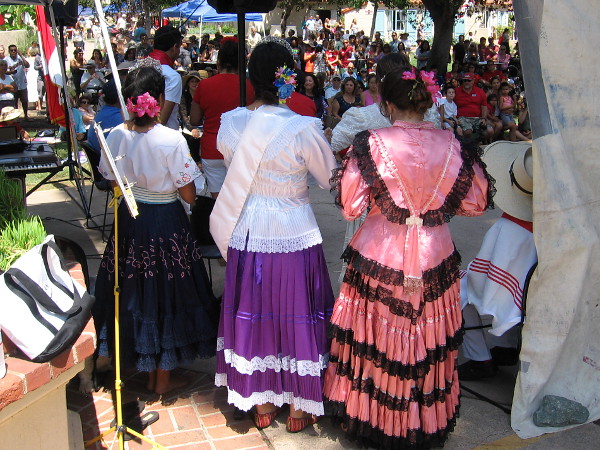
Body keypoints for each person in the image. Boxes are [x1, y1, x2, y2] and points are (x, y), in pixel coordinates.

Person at [323, 66, 492, 449]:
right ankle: (424, 420)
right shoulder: (452, 144)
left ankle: (375, 418)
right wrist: (431, 207)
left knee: (377, 338)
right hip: (435, 253)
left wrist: (394, 205)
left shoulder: (372, 143)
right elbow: (475, 202)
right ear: (428, 101)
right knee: (427, 337)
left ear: (385, 103)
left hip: (381, 253)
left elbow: (351, 207)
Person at [211, 37, 337, 434]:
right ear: (290, 78)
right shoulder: (304, 127)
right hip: (294, 231)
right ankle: (300, 404)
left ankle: (262, 399)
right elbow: (328, 178)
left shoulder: (230, 123)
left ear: (252, 77)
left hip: (247, 232)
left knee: (257, 312)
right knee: (297, 313)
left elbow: (234, 165)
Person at [93, 61, 217, 396]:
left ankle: (145, 371)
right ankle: (160, 379)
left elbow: (108, 176)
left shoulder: (115, 135)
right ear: (159, 99)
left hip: (130, 218)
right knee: (167, 294)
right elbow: (188, 193)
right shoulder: (171, 139)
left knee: (135, 290)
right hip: (165, 221)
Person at [460, 141, 535, 380]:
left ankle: (479, 358)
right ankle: (506, 346)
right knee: (514, 287)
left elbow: (482, 277)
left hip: (515, 300)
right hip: (533, 297)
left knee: (460, 286)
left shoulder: (507, 226)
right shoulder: (553, 223)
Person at [190, 37, 254, 198]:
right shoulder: (250, 86)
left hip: (212, 147)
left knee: (218, 200)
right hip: (240, 147)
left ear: (219, 61)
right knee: (241, 199)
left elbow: (194, 120)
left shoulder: (204, 85)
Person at [149, 25, 182, 131]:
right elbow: (162, 120)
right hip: (164, 138)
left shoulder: (138, 66)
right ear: (175, 46)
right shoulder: (172, 76)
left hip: (136, 134)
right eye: (179, 47)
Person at [87, 79, 123, 156]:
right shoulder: (119, 118)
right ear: (120, 97)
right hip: (113, 164)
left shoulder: (104, 112)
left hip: (103, 161)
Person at [455, 72, 492, 141]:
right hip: (462, 118)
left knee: (489, 131)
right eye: (464, 80)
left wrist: (484, 118)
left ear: (473, 81)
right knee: (468, 132)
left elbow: (484, 106)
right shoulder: (456, 91)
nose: (466, 82)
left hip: (478, 118)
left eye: (469, 80)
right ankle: (467, 145)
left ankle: (476, 143)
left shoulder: (480, 91)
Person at [179, 71, 203, 161]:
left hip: (202, 126)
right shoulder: (184, 96)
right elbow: (183, 114)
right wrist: (192, 128)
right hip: (188, 127)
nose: (194, 83)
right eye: (192, 81)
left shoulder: (203, 95)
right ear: (188, 83)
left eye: (196, 81)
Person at [5, 45, 30, 120]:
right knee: (14, 101)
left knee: (24, 100)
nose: (13, 52)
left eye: (15, 50)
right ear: (9, 51)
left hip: (22, 83)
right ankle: (15, 117)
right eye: (12, 50)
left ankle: (26, 115)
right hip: (13, 84)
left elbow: (27, 65)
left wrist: (21, 55)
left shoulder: (20, 58)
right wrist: (10, 72)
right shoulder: (6, 60)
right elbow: (4, 71)